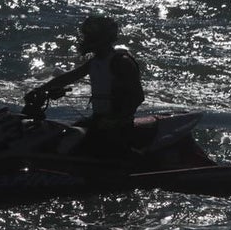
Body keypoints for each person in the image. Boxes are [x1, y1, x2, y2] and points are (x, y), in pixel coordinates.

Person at [26, 14, 145, 157]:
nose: (86, 39)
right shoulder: (95, 62)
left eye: (90, 36)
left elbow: (137, 97)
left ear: (102, 38)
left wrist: (115, 120)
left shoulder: (121, 62)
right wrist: (40, 89)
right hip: (98, 119)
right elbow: (68, 77)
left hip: (118, 125)